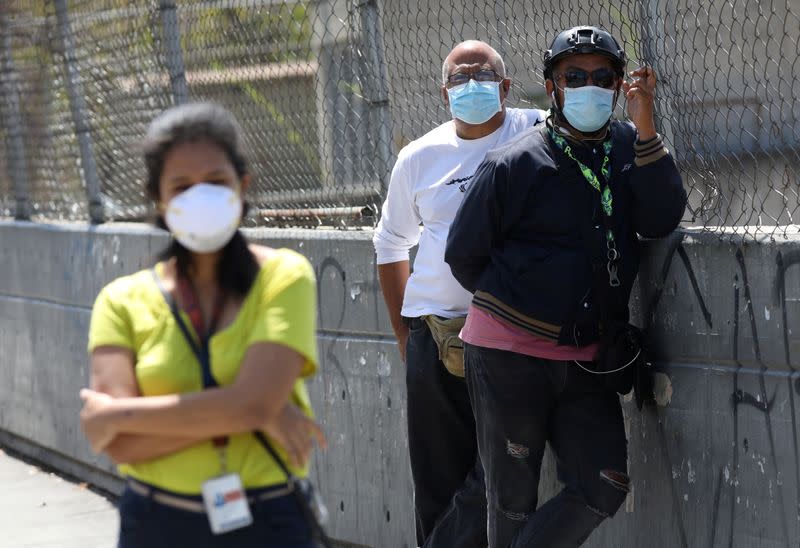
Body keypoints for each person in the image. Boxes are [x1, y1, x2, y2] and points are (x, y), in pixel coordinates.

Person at [445, 26, 687, 547]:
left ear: (621, 84)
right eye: (573, 76)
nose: (589, 85)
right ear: (552, 88)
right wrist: (525, 307)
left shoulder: (627, 147)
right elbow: (463, 254)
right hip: (510, 357)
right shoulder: (513, 162)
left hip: (585, 358)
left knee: (603, 483)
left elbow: (662, 216)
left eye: (603, 76)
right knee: (510, 503)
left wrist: (645, 127)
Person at [79, 102, 327, 547]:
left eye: (216, 182)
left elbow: (112, 426)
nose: (201, 196)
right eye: (181, 186)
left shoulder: (284, 276)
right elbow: (120, 446)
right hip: (156, 522)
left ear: (242, 185)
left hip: (268, 520)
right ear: (158, 199)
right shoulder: (120, 300)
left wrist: (119, 414)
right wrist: (249, 412)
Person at [373, 40, 545, 547]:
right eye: (459, 79)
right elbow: (390, 245)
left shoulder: (538, 131)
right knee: (437, 480)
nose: (472, 86)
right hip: (437, 335)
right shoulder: (419, 158)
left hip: (515, 340)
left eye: (483, 75)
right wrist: (406, 336)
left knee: (500, 474)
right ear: (444, 93)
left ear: (506, 87)